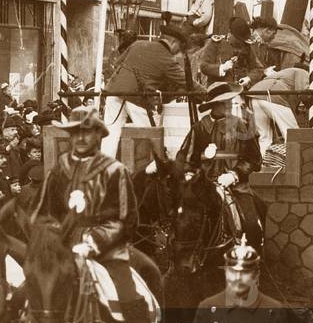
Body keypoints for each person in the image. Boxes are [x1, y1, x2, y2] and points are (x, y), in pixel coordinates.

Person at [32, 106, 156, 323]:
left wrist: (92, 242)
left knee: (129, 295)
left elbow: (126, 220)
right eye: (75, 132)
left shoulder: (115, 171)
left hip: (107, 251)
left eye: (86, 132)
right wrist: (51, 239)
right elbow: (43, 213)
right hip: (63, 248)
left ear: (98, 135)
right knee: (33, 289)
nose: (80, 137)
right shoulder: (58, 170)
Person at [178, 82, 265, 249]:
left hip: (237, 186)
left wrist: (234, 175)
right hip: (204, 186)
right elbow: (186, 159)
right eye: (225, 101)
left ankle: (254, 265)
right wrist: (190, 175)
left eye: (230, 100)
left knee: (253, 226)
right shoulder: (199, 128)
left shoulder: (242, 125)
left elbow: (254, 159)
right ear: (214, 105)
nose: (230, 104)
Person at [102, 21, 194, 159]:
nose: (178, 53)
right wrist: (208, 93)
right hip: (136, 96)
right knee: (152, 134)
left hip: (114, 91)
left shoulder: (137, 44)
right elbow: (187, 82)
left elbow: (117, 63)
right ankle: (159, 168)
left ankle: (103, 171)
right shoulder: (167, 59)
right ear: (173, 42)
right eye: (179, 48)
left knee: (110, 135)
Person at [199, 17, 265, 87]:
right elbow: (204, 66)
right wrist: (222, 68)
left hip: (240, 91)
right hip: (219, 90)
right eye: (238, 39)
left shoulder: (246, 46)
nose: (241, 42)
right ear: (230, 33)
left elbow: (258, 69)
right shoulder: (216, 44)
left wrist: (249, 78)